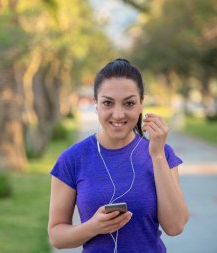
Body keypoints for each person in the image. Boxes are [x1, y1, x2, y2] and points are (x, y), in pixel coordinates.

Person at [48, 58, 189, 253]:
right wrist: (93, 227)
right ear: (96, 104)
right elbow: (56, 237)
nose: (118, 114)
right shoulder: (72, 159)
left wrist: (156, 156)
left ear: (141, 104)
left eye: (129, 103)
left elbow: (175, 226)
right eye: (108, 103)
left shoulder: (162, 154)